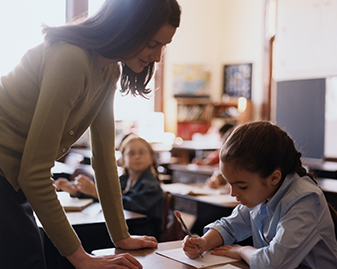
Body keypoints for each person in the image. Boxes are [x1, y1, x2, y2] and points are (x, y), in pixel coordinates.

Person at [0, 0, 181, 268]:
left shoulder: (109, 70)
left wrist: (121, 236)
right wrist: (82, 259)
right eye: (153, 44)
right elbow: (34, 171)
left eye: (163, 46)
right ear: (127, 28)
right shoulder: (71, 58)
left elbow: (106, 158)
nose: (157, 57)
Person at [182, 121, 337, 269]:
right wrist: (203, 242)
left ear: (274, 178)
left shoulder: (305, 199)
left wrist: (242, 251)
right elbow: (229, 226)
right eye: (230, 183)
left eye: (241, 186)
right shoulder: (262, 193)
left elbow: (273, 263)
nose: (233, 193)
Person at [55, 134, 165, 239]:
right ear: (122, 160)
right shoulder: (123, 180)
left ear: (151, 158)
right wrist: (77, 191)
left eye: (142, 152)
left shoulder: (152, 186)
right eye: (131, 153)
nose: (137, 157)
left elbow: (129, 205)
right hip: (123, 230)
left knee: (83, 235)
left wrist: (95, 191)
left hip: (140, 234)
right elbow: (107, 198)